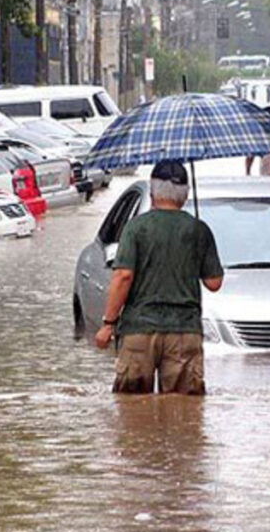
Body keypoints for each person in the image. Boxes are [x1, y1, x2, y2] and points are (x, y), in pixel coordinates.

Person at [95, 161, 224, 395]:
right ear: (186, 194)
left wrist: (108, 324)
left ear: (153, 192)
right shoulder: (198, 230)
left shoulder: (136, 228)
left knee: (131, 411)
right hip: (184, 332)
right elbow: (214, 283)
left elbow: (123, 276)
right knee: (184, 414)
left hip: (138, 331)